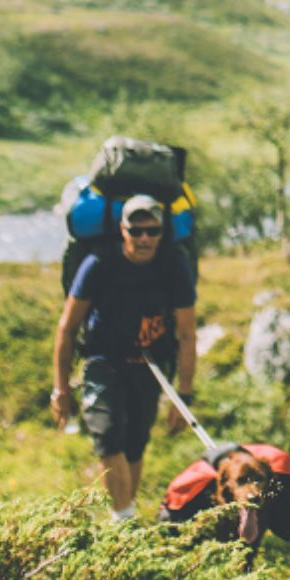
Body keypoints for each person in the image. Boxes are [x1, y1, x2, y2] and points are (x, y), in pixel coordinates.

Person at [52, 193, 198, 522]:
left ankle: (125, 521)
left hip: (151, 366)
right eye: (137, 231)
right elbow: (67, 328)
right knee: (107, 436)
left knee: (135, 444)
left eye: (152, 231)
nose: (145, 238)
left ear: (162, 231)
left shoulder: (174, 265)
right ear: (122, 230)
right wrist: (60, 390)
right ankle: (124, 520)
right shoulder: (99, 264)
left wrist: (184, 395)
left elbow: (187, 334)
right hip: (104, 361)